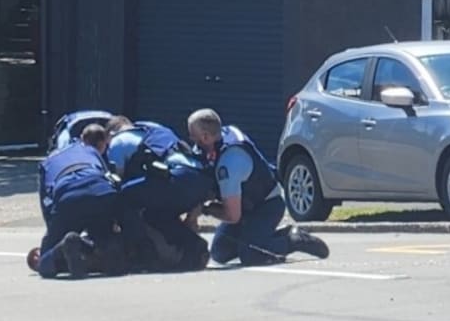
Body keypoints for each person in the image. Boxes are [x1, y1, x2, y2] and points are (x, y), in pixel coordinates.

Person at [186, 108, 329, 266]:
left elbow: (233, 216)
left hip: (266, 206)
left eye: (195, 138)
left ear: (206, 137)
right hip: (244, 206)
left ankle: (293, 239)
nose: (193, 142)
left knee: (251, 255)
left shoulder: (230, 162)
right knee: (220, 252)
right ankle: (259, 239)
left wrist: (206, 209)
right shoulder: (219, 138)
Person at [105, 115, 213, 272]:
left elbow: (117, 181)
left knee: (122, 197)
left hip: (175, 177)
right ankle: (194, 247)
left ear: (111, 133)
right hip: (199, 180)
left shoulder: (118, 141)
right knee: (156, 215)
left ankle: (143, 254)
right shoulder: (156, 131)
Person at [36, 124, 138, 278]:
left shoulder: (48, 161)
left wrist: (53, 233)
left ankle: (65, 246)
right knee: (102, 233)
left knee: (44, 265)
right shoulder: (90, 151)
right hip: (101, 192)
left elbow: (47, 204)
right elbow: (109, 177)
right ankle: (107, 248)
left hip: (69, 196)